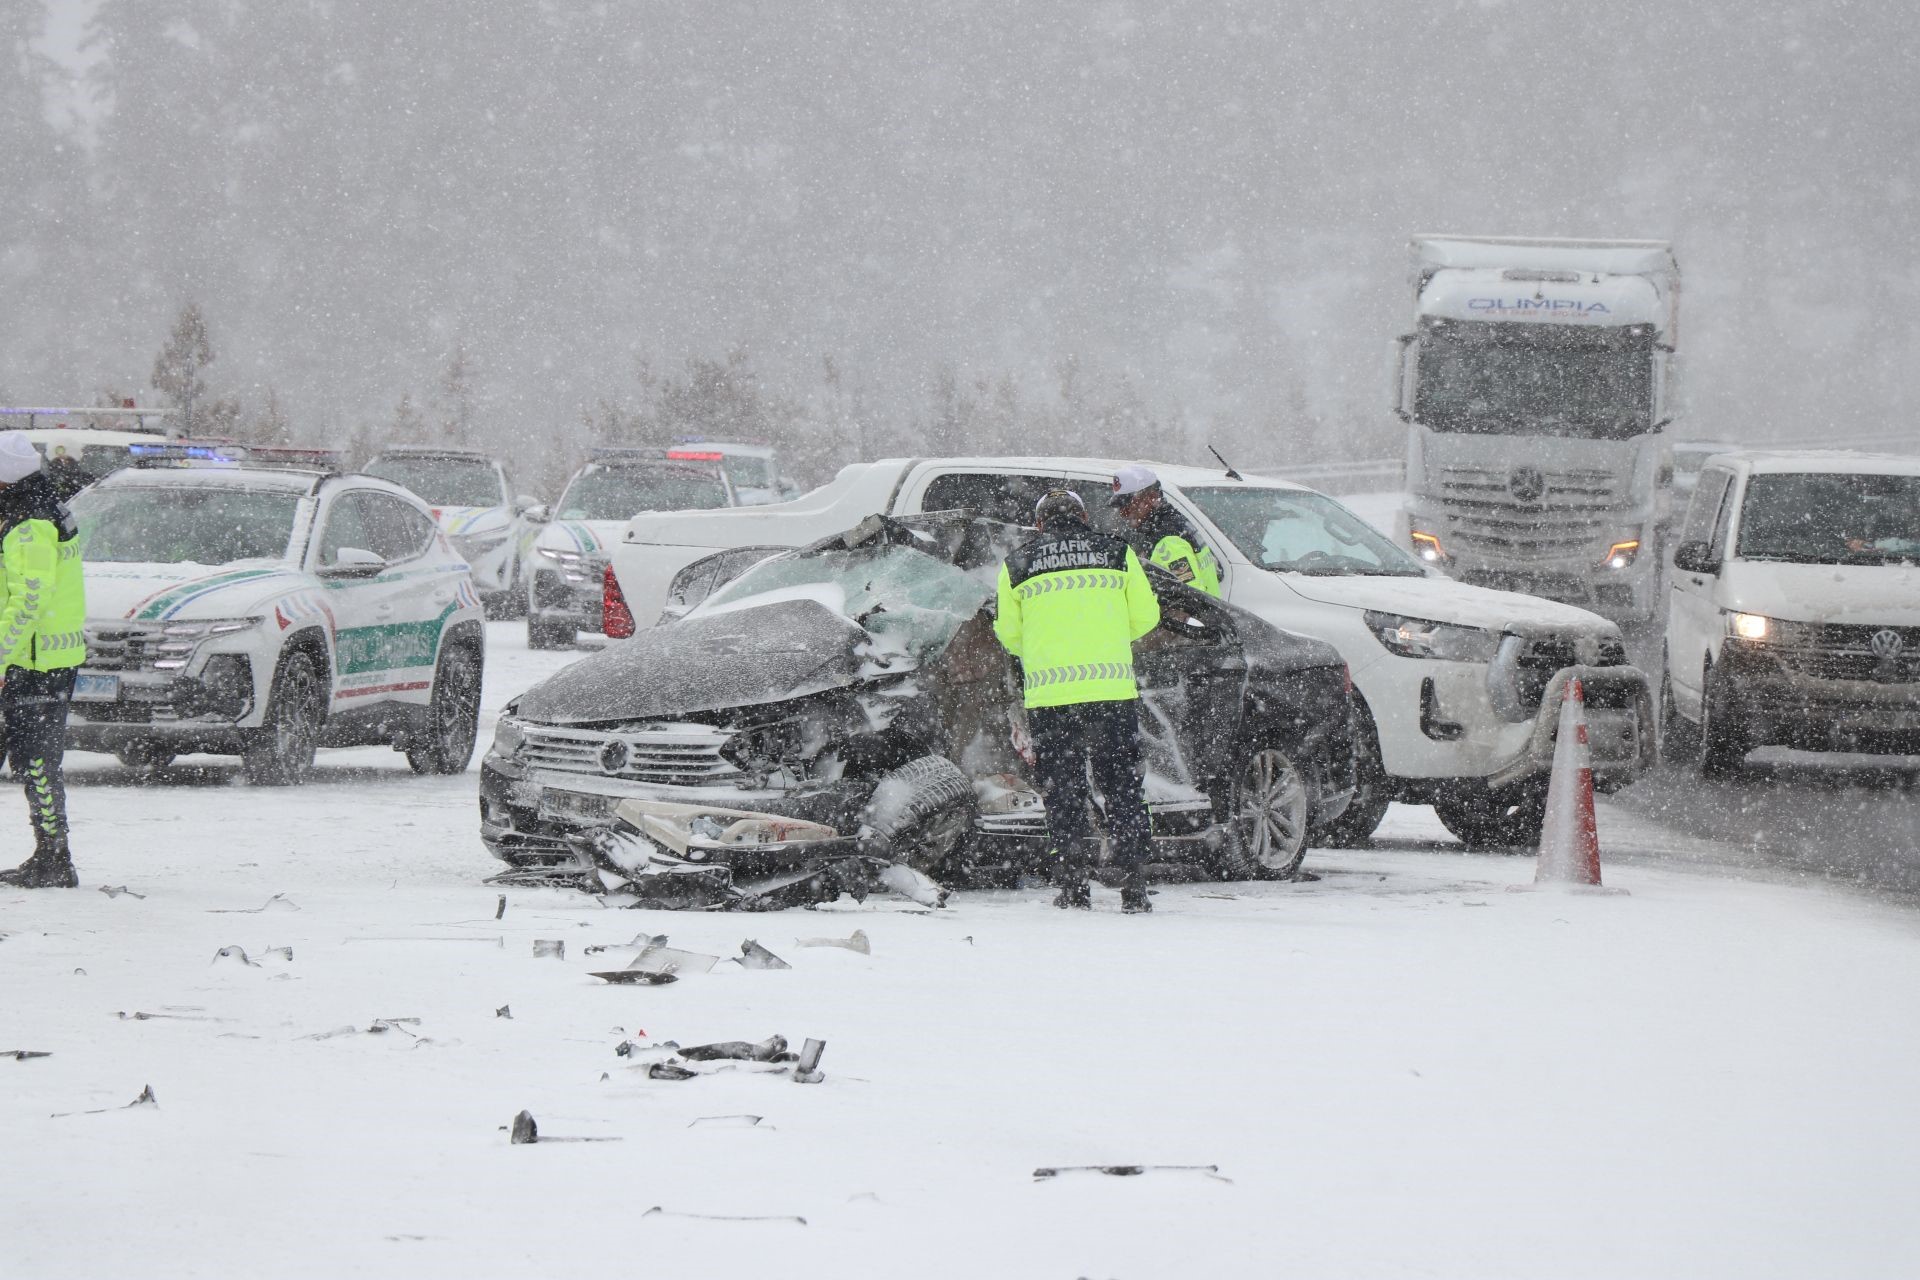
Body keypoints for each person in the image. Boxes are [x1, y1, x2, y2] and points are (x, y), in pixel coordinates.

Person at [993, 488, 1161, 912]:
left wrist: (1048, 646)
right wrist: (1103, 637)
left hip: (1051, 697)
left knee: (1063, 791)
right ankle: (1134, 886)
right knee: (1122, 787)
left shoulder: (1017, 564)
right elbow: (1147, 617)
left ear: (1039, 523)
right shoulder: (1118, 553)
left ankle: (1072, 886)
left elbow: (1009, 634)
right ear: (1084, 516)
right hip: (1111, 692)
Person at [0, 433, 88, 889]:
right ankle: (52, 855)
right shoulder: (37, 505)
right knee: (33, 759)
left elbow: (29, 600)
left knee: (36, 761)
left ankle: (55, 859)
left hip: (35, 661)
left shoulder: (31, 522)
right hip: (38, 658)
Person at [1109, 464, 1222, 596]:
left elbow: (1191, 599)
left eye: (1127, 506)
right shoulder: (1173, 522)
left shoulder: (1168, 540)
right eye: (1120, 508)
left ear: (1151, 498)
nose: (1123, 513)